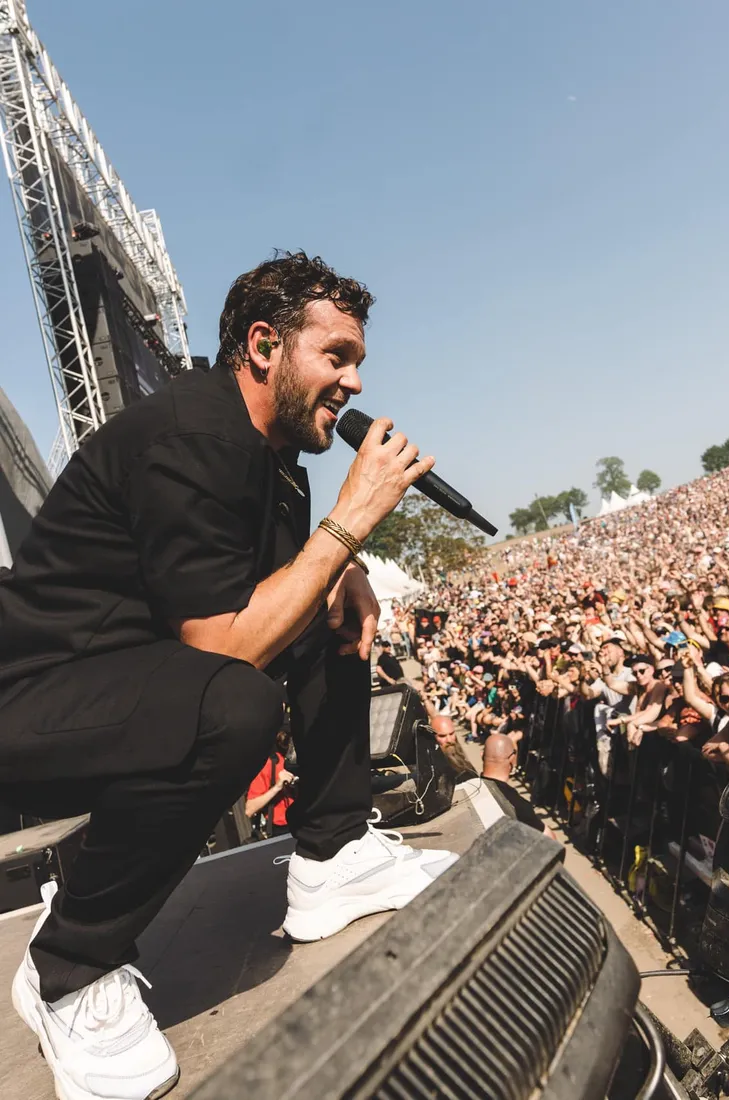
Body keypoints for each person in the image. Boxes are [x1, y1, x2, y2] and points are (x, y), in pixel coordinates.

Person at [0, 253, 459, 1100]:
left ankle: (331, 852)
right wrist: (350, 524)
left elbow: (284, 594)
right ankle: (68, 968)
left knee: (329, 605)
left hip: (126, 681)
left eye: (359, 361)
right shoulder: (191, 437)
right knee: (232, 702)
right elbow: (224, 648)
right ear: (263, 345)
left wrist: (342, 565)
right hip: (35, 701)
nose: (356, 382)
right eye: (337, 356)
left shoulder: (269, 452)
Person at [480, 733, 552, 837]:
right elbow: (549, 839)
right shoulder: (518, 806)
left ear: (482, 755)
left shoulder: (470, 787)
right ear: (512, 759)